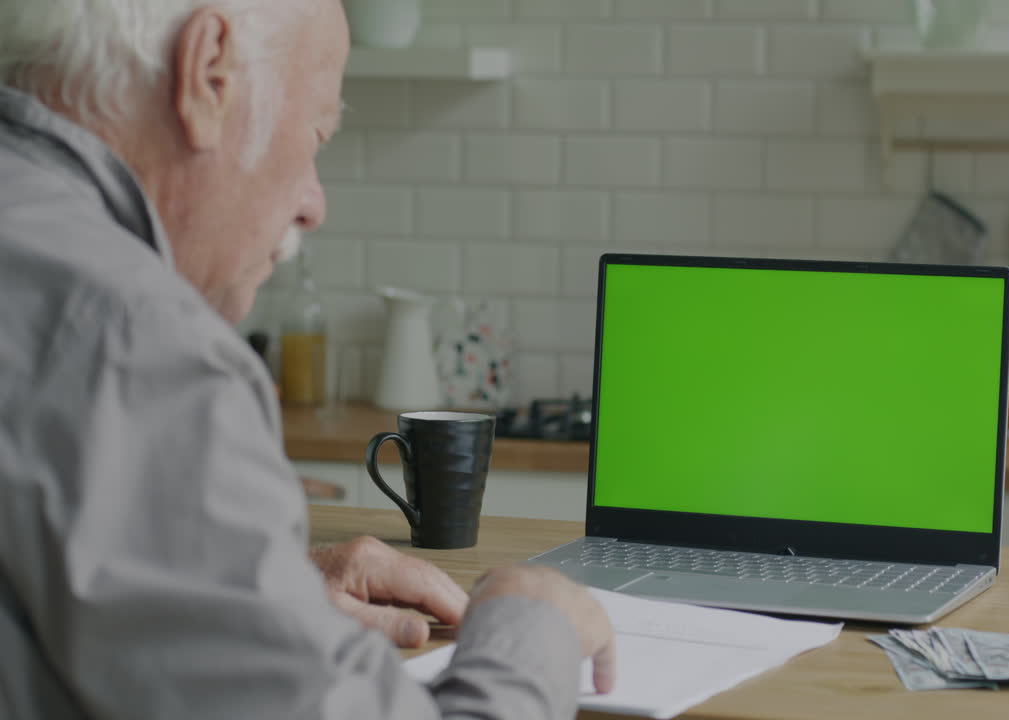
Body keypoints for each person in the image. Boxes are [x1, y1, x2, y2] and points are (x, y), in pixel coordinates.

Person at [0, 1, 614, 718]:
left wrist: (250, 591)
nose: (315, 204)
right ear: (208, 73)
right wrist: (529, 630)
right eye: (317, 134)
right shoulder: (137, 343)